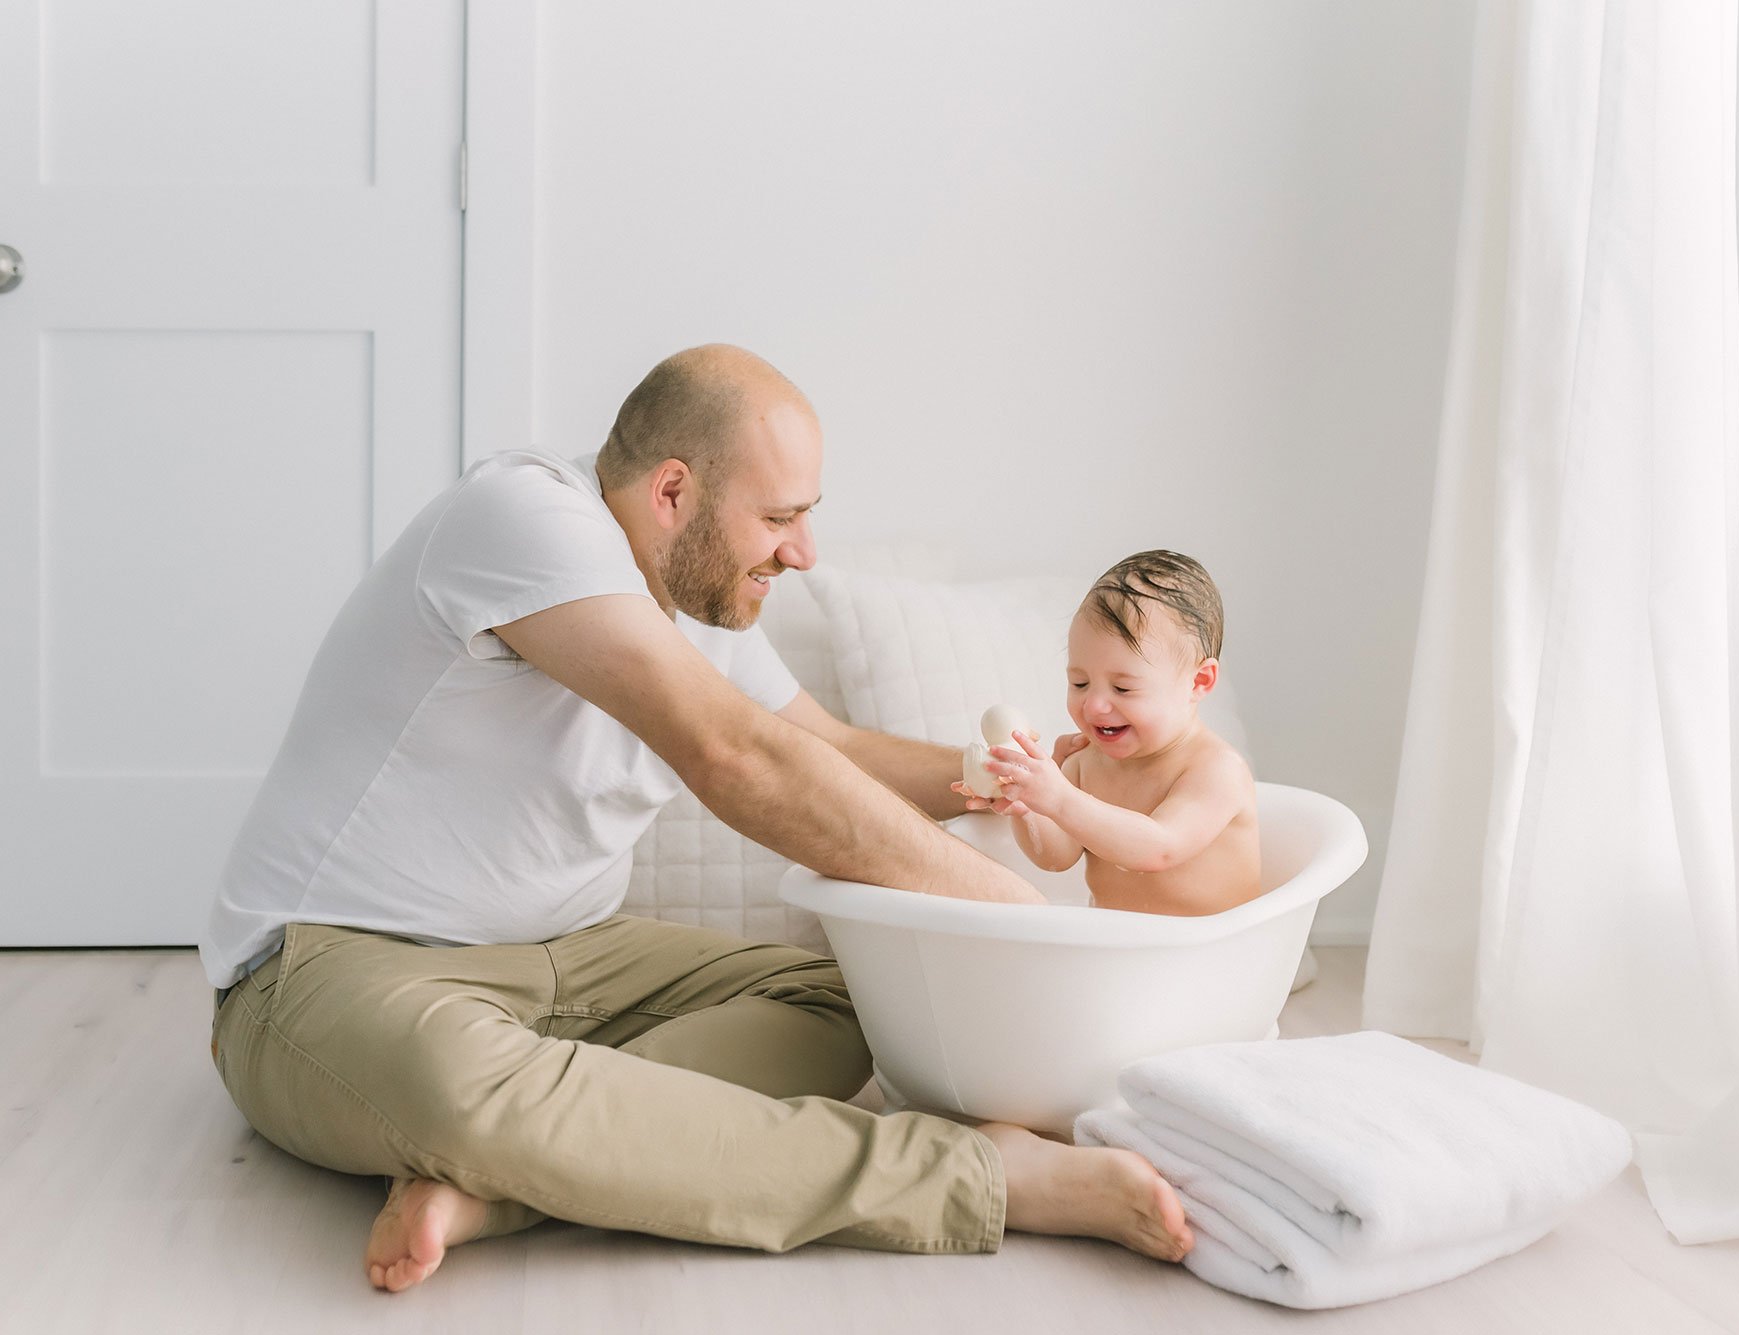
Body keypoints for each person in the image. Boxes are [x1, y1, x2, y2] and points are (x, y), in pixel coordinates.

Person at [198, 345, 1191, 1293]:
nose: (802, 551)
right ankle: (983, 1178)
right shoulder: (521, 517)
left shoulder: (699, 593)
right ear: (671, 492)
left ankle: (499, 1188)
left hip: (571, 955)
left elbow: (831, 751)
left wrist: (1013, 777)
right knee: (468, 1091)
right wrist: (1027, 916)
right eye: (779, 517)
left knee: (853, 1007)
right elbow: (739, 756)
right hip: (328, 965)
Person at [953, 551, 1261, 916]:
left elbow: (1159, 848)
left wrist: (1060, 798)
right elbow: (1056, 857)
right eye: (1080, 682)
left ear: (1198, 682)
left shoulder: (1215, 769)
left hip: (1211, 955)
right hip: (1118, 952)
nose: (1094, 705)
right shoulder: (1087, 762)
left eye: (1123, 688)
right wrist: (1028, 806)